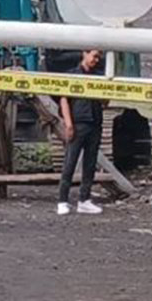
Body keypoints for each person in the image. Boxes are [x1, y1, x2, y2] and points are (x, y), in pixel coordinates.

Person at [57, 49, 107, 216]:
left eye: (98, 57)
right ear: (84, 54)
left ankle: (84, 199)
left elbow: (105, 101)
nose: (96, 60)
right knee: (70, 162)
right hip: (78, 122)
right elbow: (64, 99)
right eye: (94, 56)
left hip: (95, 122)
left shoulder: (99, 77)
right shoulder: (72, 75)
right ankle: (62, 200)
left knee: (90, 163)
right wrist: (68, 124)